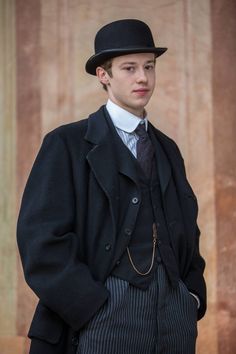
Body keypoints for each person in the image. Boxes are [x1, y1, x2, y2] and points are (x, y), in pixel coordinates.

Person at [17, 19, 207, 354]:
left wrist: (190, 297)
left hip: (175, 319)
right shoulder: (66, 143)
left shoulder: (168, 149)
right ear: (103, 75)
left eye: (149, 66)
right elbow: (41, 239)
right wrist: (89, 305)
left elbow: (188, 231)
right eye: (129, 68)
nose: (143, 78)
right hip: (101, 315)